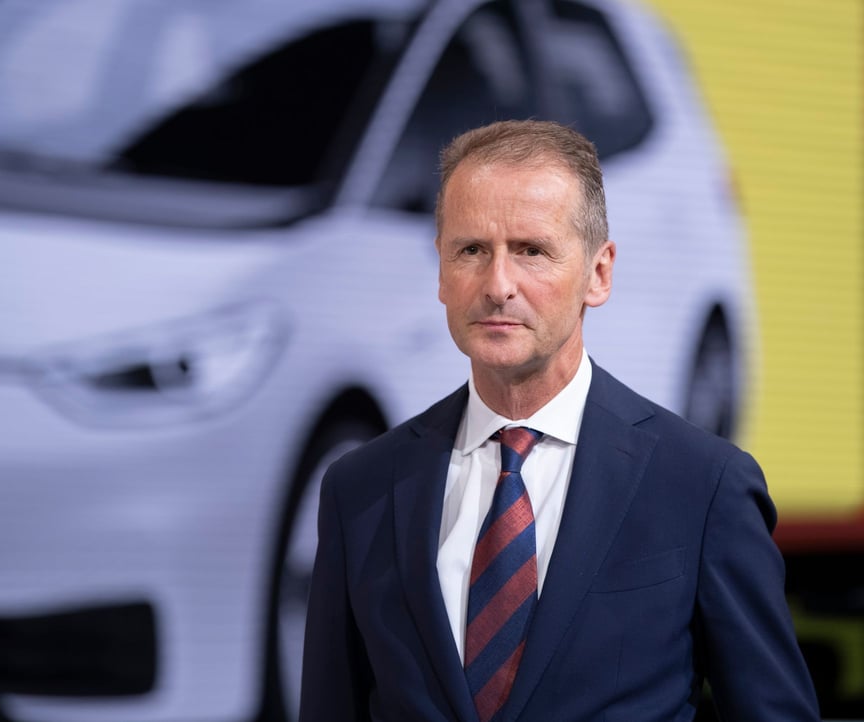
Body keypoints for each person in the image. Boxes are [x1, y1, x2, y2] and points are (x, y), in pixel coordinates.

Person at [299, 119, 819, 721]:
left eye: (531, 251)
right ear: (441, 272)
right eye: (470, 250)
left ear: (598, 274)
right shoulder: (362, 489)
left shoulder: (703, 486)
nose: (498, 285)